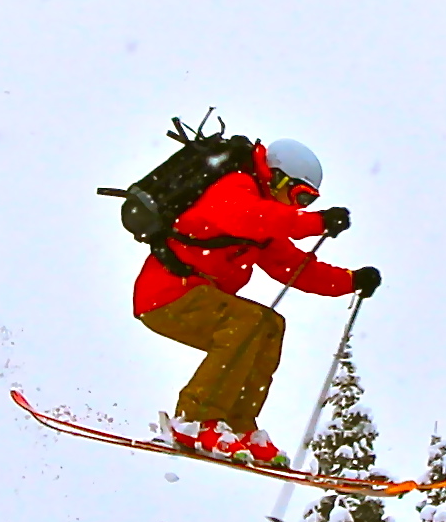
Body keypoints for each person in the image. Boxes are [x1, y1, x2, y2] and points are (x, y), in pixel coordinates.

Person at [132, 134, 379, 466]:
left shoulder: (265, 222)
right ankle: (194, 420)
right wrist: (315, 222)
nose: (298, 206)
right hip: (165, 295)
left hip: (197, 297)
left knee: (269, 325)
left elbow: (295, 268)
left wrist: (350, 280)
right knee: (246, 322)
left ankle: (237, 424)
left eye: (306, 201)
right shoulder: (234, 188)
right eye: (299, 195)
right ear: (276, 176)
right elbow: (250, 216)